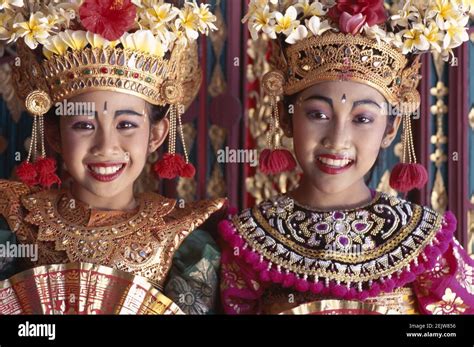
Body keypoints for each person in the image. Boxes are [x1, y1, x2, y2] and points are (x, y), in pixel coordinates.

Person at [219, 0, 473, 314]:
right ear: (286, 120)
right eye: (318, 114)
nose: (337, 140)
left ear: (390, 130)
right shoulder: (245, 243)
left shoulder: (429, 246)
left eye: (363, 119)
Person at [0, 0, 224, 314]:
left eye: (127, 124)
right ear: (54, 134)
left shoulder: (184, 243)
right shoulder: (16, 223)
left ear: (156, 135)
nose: (106, 146)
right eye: (84, 124)